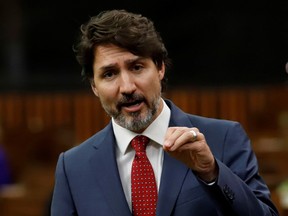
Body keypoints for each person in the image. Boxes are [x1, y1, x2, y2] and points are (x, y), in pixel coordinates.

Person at [51, 9, 279, 216]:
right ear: (94, 86)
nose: (127, 87)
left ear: (160, 68)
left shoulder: (225, 138)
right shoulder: (73, 167)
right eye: (109, 74)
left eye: (136, 67)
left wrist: (211, 172)